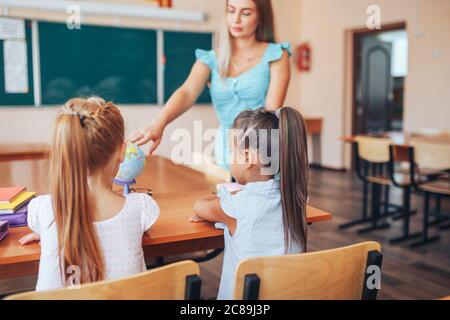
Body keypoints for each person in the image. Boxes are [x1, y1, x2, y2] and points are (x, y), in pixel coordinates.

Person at [19, 97, 160, 291]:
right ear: (122, 152)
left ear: (65, 153)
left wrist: (48, 229)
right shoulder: (141, 208)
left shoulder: (43, 209)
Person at [130, 0, 291, 168]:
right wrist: (159, 123)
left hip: (262, 148)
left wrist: (252, 158)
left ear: (261, 17)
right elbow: (187, 92)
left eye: (246, 13)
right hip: (225, 150)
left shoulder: (277, 56)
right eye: (231, 10)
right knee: (225, 192)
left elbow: (270, 113)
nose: (236, 19)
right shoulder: (210, 59)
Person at [191, 107, 309, 299]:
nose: (228, 156)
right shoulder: (296, 198)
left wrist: (224, 197)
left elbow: (199, 205)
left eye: (231, 151)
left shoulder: (236, 205)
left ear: (247, 157)